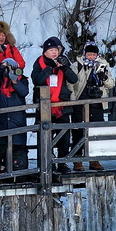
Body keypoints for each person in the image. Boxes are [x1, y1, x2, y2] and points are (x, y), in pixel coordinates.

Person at [31, 37, 78, 174]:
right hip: (45, 106)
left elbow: (74, 79)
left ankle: (62, 163)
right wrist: (49, 68)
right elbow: (36, 80)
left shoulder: (63, 61)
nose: (54, 53)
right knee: (46, 137)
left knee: (64, 137)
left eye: (56, 50)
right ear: (45, 51)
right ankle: (47, 164)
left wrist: (64, 68)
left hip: (61, 105)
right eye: (51, 50)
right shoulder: (39, 62)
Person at [67, 42, 115, 171]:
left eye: (94, 54)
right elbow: (70, 84)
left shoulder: (103, 65)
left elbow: (111, 84)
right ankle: (77, 160)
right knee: (78, 131)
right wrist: (72, 100)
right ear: (84, 54)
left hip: (97, 103)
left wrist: (103, 77)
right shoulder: (77, 65)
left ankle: (95, 159)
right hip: (80, 102)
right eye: (89, 54)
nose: (92, 57)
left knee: (96, 131)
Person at [0, 57, 31, 180]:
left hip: (16, 122)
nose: (10, 70)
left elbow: (24, 92)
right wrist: (2, 66)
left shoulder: (22, 80)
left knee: (18, 152)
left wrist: (15, 81)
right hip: (0, 122)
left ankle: (19, 177)